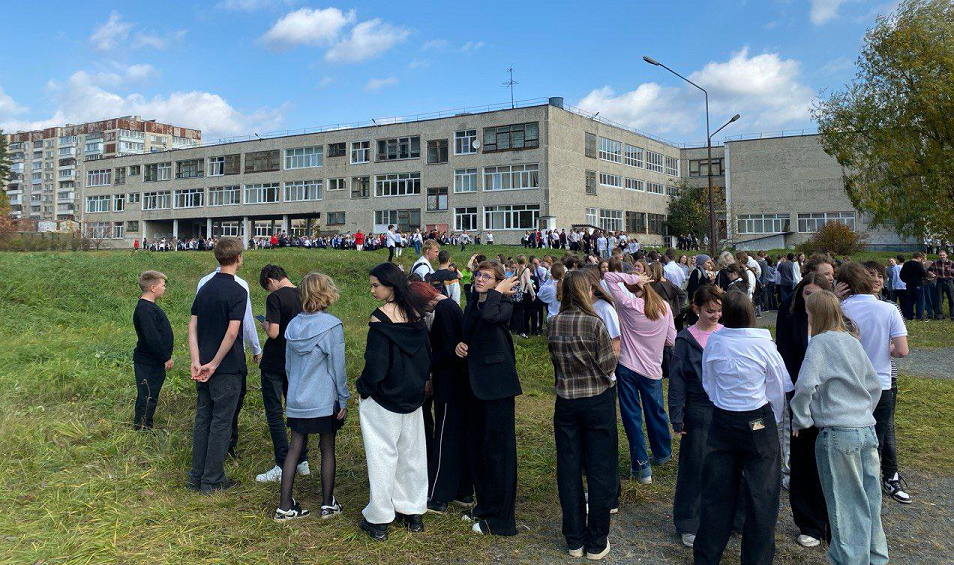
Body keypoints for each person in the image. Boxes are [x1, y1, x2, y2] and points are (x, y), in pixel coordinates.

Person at [694, 291, 793, 565]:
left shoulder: (715, 342)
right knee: (762, 498)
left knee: (716, 494)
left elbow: (708, 382)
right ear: (751, 312)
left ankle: (706, 558)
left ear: (725, 313)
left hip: (724, 418)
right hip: (757, 419)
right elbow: (779, 387)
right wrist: (770, 414)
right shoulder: (763, 345)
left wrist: (724, 402)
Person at [790, 290, 888, 565]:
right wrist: (862, 411)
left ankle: (850, 561)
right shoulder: (852, 341)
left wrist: (801, 419)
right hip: (865, 429)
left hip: (837, 433)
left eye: (808, 311)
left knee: (844, 506)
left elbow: (806, 384)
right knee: (870, 500)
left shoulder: (819, 343)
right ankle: (876, 558)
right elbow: (873, 384)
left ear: (815, 313)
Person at [355, 263, 430, 540]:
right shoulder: (416, 316)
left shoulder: (380, 320)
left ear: (391, 286)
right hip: (412, 396)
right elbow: (425, 358)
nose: (372, 290)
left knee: (382, 458)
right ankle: (413, 513)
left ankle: (379, 520)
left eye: (376, 285)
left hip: (384, 398)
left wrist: (363, 388)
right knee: (412, 456)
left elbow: (375, 365)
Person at [547, 271, 619, 560]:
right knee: (600, 469)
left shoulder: (553, 323)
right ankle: (596, 540)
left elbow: (555, 360)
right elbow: (607, 364)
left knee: (569, 468)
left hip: (566, 400)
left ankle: (574, 538)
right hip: (596, 399)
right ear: (585, 291)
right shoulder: (594, 323)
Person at [274, 272, 348, 521]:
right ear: (327, 292)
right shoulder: (332, 326)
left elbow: (288, 366)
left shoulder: (292, 326)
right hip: (324, 399)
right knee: (327, 447)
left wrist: (292, 393)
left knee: (294, 448)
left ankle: (285, 505)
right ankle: (327, 504)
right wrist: (344, 398)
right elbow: (338, 368)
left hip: (297, 398)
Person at [837, 262, 912, 505]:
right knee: (876, 440)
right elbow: (902, 351)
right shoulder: (888, 309)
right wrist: (883, 348)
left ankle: (850, 488)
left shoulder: (839, 308)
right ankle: (872, 494)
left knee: (849, 437)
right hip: (880, 381)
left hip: (848, 382)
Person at [456, 261, 521, 536]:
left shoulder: (503, 304)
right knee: (477, 448)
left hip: (497, 388)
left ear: (497, 282)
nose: (480, 279)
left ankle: (502, 520)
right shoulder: (472, 304)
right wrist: (459, 345)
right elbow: (470, 333)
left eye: (487, 276)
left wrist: (498, 292)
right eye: (478, 274)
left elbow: (491, 318)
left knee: (498, 452)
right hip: (474, 385)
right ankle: (484, 507)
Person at [187, 237, 249, 493]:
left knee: (203, 418)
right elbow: (233, 332)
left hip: (202, 366)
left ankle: (196, 476)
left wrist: (196, 360)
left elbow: (192, 325)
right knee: (222, 422)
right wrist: (214, 363)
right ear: (238, 258)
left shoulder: (205, 288)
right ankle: (212, 480)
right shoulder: (238, 291)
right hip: (226, 367)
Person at [775, 273, 832, 548]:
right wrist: (792, 395)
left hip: (831, 404)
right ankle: (808, 522)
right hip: (800, 399)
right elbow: (784, 356)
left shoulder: (838, 326)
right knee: (802, 460)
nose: (810, 300)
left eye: (815, 294)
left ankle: (831, 521)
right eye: (806, 294)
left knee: (830, 463)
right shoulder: (792, 318)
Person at [407, 282, 474, 515]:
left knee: (444, 438)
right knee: (457, 435)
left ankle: (438, 495)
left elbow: (448, 349)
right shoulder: (450, 306)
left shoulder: (444, 311)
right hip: (456, 383)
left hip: (449, 383)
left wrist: (427, 362)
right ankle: (463, 490)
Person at [603, 270, 676, 485]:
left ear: (633, 289)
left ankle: (641, 465)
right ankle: (662, 452)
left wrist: (633, 278)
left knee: (632, 416)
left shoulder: (628, 305)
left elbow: (608, 277)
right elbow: (671, 339)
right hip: (652, 369)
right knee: (656, 411)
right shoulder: (664, 307)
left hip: (627, 366)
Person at [668, 285, 723, 549]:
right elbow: (677, 381)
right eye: (710, 311)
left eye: (719, 310)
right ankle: (688, 521)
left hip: (726, 408)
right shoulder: (685, 339)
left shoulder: (727, 334)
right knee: (695, 465)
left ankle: (728, 518)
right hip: (698, 409)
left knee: (726, 466)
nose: (715, 315)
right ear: (696, 308)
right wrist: (677, 417)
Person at [197, 257, 263, 460]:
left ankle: (203, 456)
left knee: (205, 410)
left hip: (205, 352)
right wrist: (256, 347)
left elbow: (196, 321)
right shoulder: (240, 285)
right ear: (238, 258)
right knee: (229, 407)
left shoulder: (204, 282)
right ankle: (227, 449)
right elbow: (246, 320)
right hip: (230, 355)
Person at [255, 265, 310, 483]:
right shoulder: (304, 295)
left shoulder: (275, 298)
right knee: (296, 409)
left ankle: (282, 462)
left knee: (275, 412)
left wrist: (265, 324)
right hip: (298, 360)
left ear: (271, 280)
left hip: (275, 361)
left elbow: (274, 333)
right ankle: (302, 460)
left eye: (267, 287)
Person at [132, 270, 173, 430]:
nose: (164, 288)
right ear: (153, 288)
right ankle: (142, 428)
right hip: (148, 362)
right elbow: (152, 338)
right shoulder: (145, 310)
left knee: (151, 394)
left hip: (153, 361)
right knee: (147, 395)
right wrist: (165, 357)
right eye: (163, 285)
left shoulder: (149, 307)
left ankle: (145, 425)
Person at [929, 250, 953, 319]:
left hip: (949, 281)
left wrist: (952, 271)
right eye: (940, 255)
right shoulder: (936, 263)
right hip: (940, 281)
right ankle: (939, 315)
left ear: (946, 255)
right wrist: (933, 275)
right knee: (939, 299)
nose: (942, 256)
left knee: (951, 298)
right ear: (939, 256)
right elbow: (929, 270)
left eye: (943, 255)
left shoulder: (951, 262)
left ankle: (952, 315)